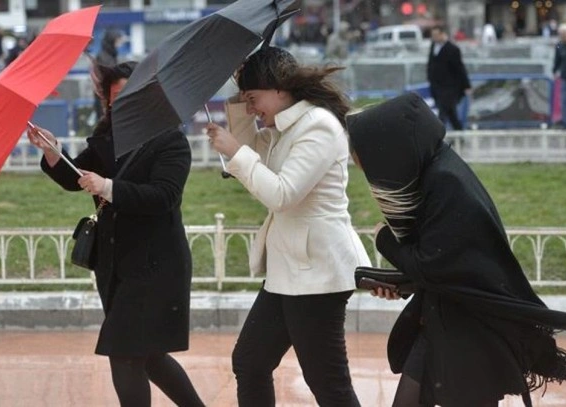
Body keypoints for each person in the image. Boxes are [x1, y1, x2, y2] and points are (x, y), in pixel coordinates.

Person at [346, 93, 566, 407]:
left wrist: (385, 240)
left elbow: (434, 265)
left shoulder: (446, 184)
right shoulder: (437, 173)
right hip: (445, 321)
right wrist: (402, 284)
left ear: (393, 154)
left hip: (471, 334)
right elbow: (449, 264)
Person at [27, 61, 204, 407]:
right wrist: (52, 151)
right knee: (148, 356)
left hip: (156, 266)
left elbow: (164, 197)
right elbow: (73, 177)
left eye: (131, 93)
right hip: (115, 265)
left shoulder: (171, 141)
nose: (123, 102)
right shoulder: (107, 139)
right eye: (115, 97)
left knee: (123, 352)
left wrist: (108, 187)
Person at [205, 46, 371, 406]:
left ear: (280, 89)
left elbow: (282, 194)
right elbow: (249, 146)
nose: (251, 109)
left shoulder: (319, 126)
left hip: (317, 272)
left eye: (253, 98)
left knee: (328, 384)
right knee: (250, 362)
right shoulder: (285, 126)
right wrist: (238, 96)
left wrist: (235, 152)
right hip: (290, 271)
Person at [427, 25, 471, 130]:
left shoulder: (453, 49)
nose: (434, 37)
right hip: (437, 86)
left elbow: (460, 68)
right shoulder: (433, 47)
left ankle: (437, 137)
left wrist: (466, 85)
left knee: (442, 113)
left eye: (436, 35)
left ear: (442, 34)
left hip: (449, 87)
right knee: (451, 114)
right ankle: (459, 134)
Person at [93, 30, 123, 120]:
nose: (120, 42)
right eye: (118, 39)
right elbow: (109, 75)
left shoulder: (109, 54)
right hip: (106, 96)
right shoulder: (105, 57)